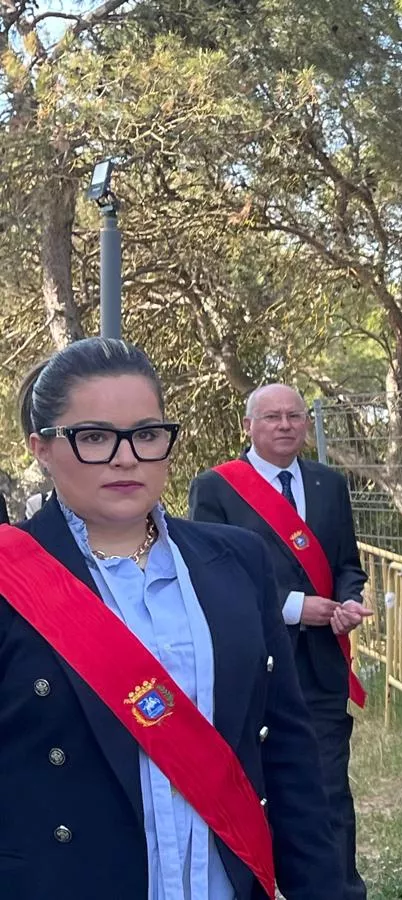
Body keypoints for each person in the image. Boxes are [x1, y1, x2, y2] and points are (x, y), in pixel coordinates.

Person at [0, 337, 341, 899]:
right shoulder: (12, 577)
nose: (126, 456)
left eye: (147, 434)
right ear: (41, 447)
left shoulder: (237, 562)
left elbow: (287, 754)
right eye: (93, 437)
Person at [188, 384, 373, 900]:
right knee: (255, 789)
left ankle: (337, 889)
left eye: (295, 416)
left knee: (328, 790)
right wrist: (295, 607)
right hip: (253, 667)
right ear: (250, 425)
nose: (286, 425)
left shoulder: (329, 484)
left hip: (319, 669)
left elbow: (346, 565)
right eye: (273, 417)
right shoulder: (218, 488)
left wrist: (347, 602)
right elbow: (215, 578)